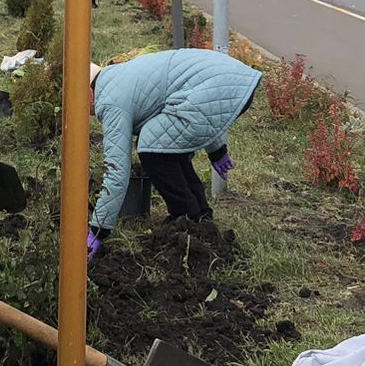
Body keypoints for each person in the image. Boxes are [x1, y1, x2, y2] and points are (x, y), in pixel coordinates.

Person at [85, 49, 263, 259]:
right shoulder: (119, 77)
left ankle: (185, 216)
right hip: (234, 82)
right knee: (163, 141)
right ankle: (200, 214)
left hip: (224, 89)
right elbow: (192, 94)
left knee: (151, 147)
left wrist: (98, 231)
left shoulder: (110, 99)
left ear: (86, 91)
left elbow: (116, 171)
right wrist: (217, 151)